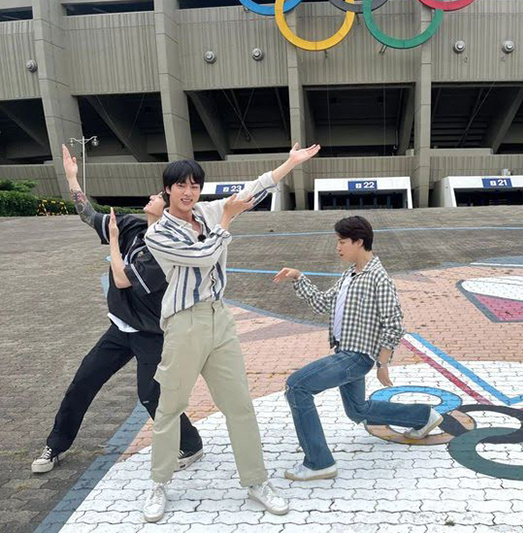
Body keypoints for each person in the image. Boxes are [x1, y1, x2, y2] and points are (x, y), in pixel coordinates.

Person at [141, 142, 320, 523]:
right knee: (169, 408)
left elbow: (253, 188)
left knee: (239, 405)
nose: (189, 192)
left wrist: (289, 163)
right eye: (181, 186)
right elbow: (203, 257)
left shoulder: (205, 211)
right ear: (167, 189)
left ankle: (257, 481)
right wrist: (226, 221)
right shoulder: (157, 233)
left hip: (220, 319)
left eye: (195, 185)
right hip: (184, 322)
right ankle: (159, 483)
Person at [32, 145, 202, 474]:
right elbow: (87, 214)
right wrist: (72, 178)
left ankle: (191, 443)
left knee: (151, 395)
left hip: (152, 333)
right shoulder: (129, 226)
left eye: (159, 195)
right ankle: (56, 444)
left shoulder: (166, 248)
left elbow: (123, 280)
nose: (153, 196)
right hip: (120, 328)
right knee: (83, 382)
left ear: (166, 207)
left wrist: (112, 241)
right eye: (167, 188)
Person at [273, 215, 443, 481]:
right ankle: (423, 416)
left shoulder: (378, 278)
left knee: (297, 387)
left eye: (342, 242)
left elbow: (394, 324)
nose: (337, 247)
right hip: (345, 352)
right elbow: (323, 304)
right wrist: (298, 277)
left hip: (356, 357)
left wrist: (383, 364)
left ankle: (319, 463)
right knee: (358, 410)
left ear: (359, 241)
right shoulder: (350, 275)